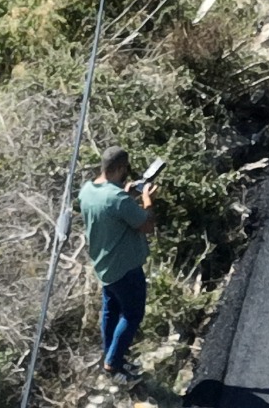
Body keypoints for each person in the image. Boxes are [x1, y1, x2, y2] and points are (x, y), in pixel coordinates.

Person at [77, 147, 155, 386]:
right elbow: (146, 224)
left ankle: (111, 356)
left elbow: (110, 210)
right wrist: (147, 198)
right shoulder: (117, 198)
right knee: (132, 314)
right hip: (125, 268)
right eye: (126, 170)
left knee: (111, 311)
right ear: (120, 168)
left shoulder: (87, 191)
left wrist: (125, 193)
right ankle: (113, 363)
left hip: (104, 266)